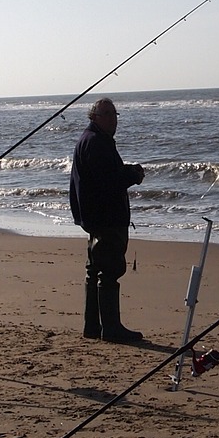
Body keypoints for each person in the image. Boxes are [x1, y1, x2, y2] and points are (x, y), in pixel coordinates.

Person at [69, 97, 145, 343]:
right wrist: (132, 176)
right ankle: (110, 328)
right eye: (108, 115)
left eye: (115, 115)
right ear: (96, 117)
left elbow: (105, 176)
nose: (114, 120)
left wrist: (127, 171)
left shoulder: (92, 140)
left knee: (95, 270)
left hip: (94, 217)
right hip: (106, 218)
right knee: (110, 270)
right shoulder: (96, 142)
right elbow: (108, 182)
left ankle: (93, 326)